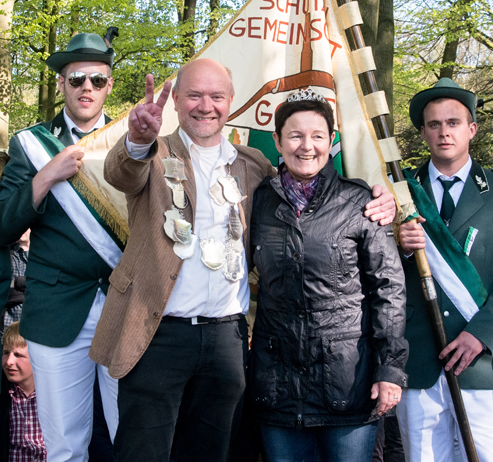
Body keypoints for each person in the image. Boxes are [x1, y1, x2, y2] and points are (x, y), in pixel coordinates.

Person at [89, 59, 398, 462]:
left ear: (231, 101)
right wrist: (136, 139)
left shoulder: (253, 165)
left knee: (214, 454)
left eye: (216, 96)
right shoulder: (153, 151)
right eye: (194, 95)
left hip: (227, 342)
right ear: (176, 100)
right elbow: (121, 174)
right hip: (156, 334)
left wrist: (383, 200)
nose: (206, 106)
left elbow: (305, 194)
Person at [249, 89, 408, 462]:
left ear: (332, 140)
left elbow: (389, 290)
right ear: (278, 141)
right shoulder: (258, 203)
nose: (307, 146)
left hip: (347, 385)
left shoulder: (361, 203)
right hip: (278, 387)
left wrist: (390, 369)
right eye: (295, 135)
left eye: (318, 136)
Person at [0, 32, 119, 461]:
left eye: (97, 80)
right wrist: (46, 175)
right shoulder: (31, 144)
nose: (87, 87)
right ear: (62, 83)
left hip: (123, 307)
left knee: (130, 439)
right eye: (77, 78)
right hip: (56, 310)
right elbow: (3, 225)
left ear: (109, 85)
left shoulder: (129, 141)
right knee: (65, 446)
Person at [397, 78, 493, 462]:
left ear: (472, 129)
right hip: (418, 358)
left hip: (482, 364)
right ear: (422, 133)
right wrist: (398, 246)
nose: (444, 132)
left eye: (453, 123)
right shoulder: (399, 191)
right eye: (434, 124)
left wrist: (482, 334)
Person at [1, 321, 46, 462]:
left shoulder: (52, 397)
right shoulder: (5, 397)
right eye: (6, 353)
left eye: (18, 355)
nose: (9, 361)